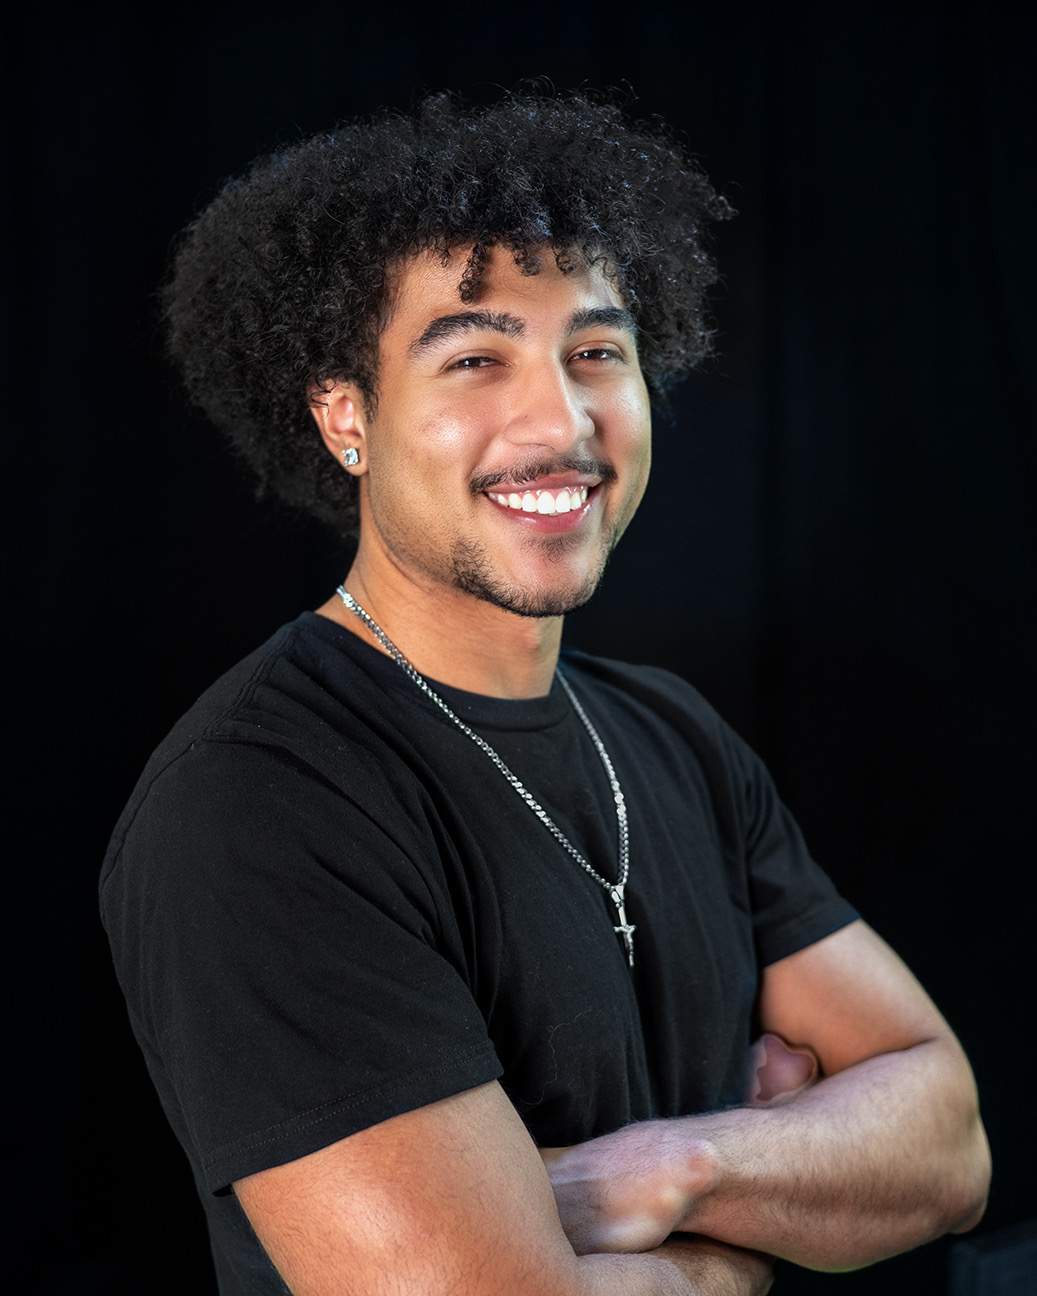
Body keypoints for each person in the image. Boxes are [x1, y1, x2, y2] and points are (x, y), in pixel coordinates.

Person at [100, 90, 990, 1296]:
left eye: (594, 353)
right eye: (474, 357)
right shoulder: (260, 803)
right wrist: (755, 1249)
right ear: (344, 417)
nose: (559, 421)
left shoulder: (672, 736)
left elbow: (944, 1142)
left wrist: (656, 1174)